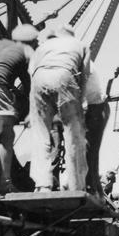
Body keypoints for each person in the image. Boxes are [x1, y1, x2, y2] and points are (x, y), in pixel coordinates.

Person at [0, 24, 38, 195]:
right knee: (6, 137)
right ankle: (5, 183)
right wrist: (32, 111)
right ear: (33, 41)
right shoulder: (29, 51)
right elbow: (34, 83)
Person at [29, 24, 90, 192]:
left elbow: (30, 70)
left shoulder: (43, 46)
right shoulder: (81, 45)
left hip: (39, 78)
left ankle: (42, 184)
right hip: (64, 75)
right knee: (73, 133)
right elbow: (85, 74)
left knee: (40, 133)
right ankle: (76, 185)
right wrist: (82, 99)